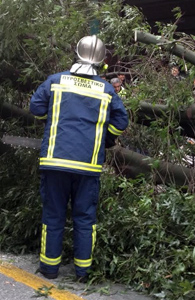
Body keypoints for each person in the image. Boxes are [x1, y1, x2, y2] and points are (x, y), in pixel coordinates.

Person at [29, 35, 129, 282]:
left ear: (76, 53)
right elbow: (121, 122)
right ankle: (83, 273)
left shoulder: (56, 81)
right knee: (85, 218)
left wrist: (52, 119)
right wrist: (106, 138)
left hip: (55, 161)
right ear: (101, 61)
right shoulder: (106, 89)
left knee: (53, 215)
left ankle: (50, 269)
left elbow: (36, 108)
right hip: (88, 164)